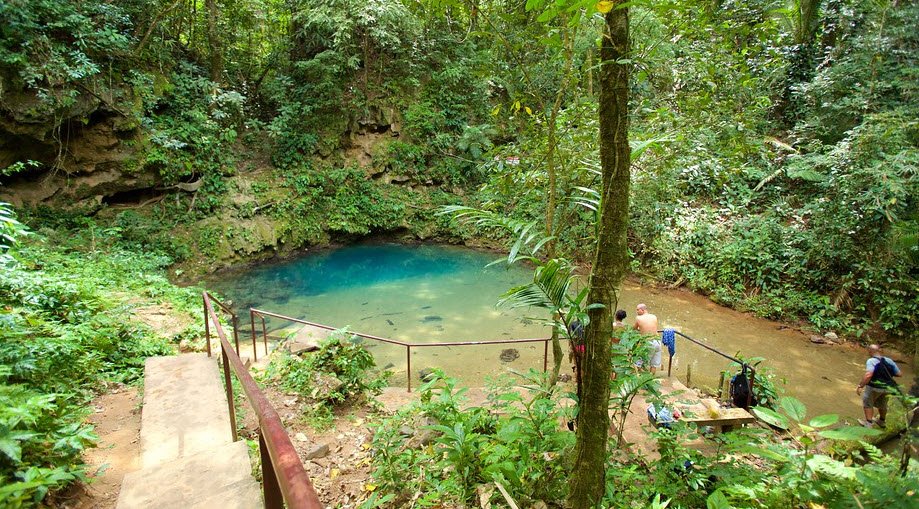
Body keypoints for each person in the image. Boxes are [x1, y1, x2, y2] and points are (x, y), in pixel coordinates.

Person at [857, 344, 902, 428]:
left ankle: (869, 423)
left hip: (874, 387)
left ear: (870, 351)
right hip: (887, 387)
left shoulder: (871, 361)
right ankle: (882, 421)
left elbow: (868, 375)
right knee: (883, 404)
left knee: (868, 403)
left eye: (869, 351)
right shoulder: (889, 361)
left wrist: (861, 385)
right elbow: (899, 374)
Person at [634, 303, 663, 374]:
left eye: (638, 310)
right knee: (654, 365)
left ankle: (640, 380)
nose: (637, 312)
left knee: (638, 363)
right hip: (657, 342)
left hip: (648, 343)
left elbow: (633, 329)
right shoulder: (654, 316)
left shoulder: (638, 318)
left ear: (643, 310)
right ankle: (650, 380)